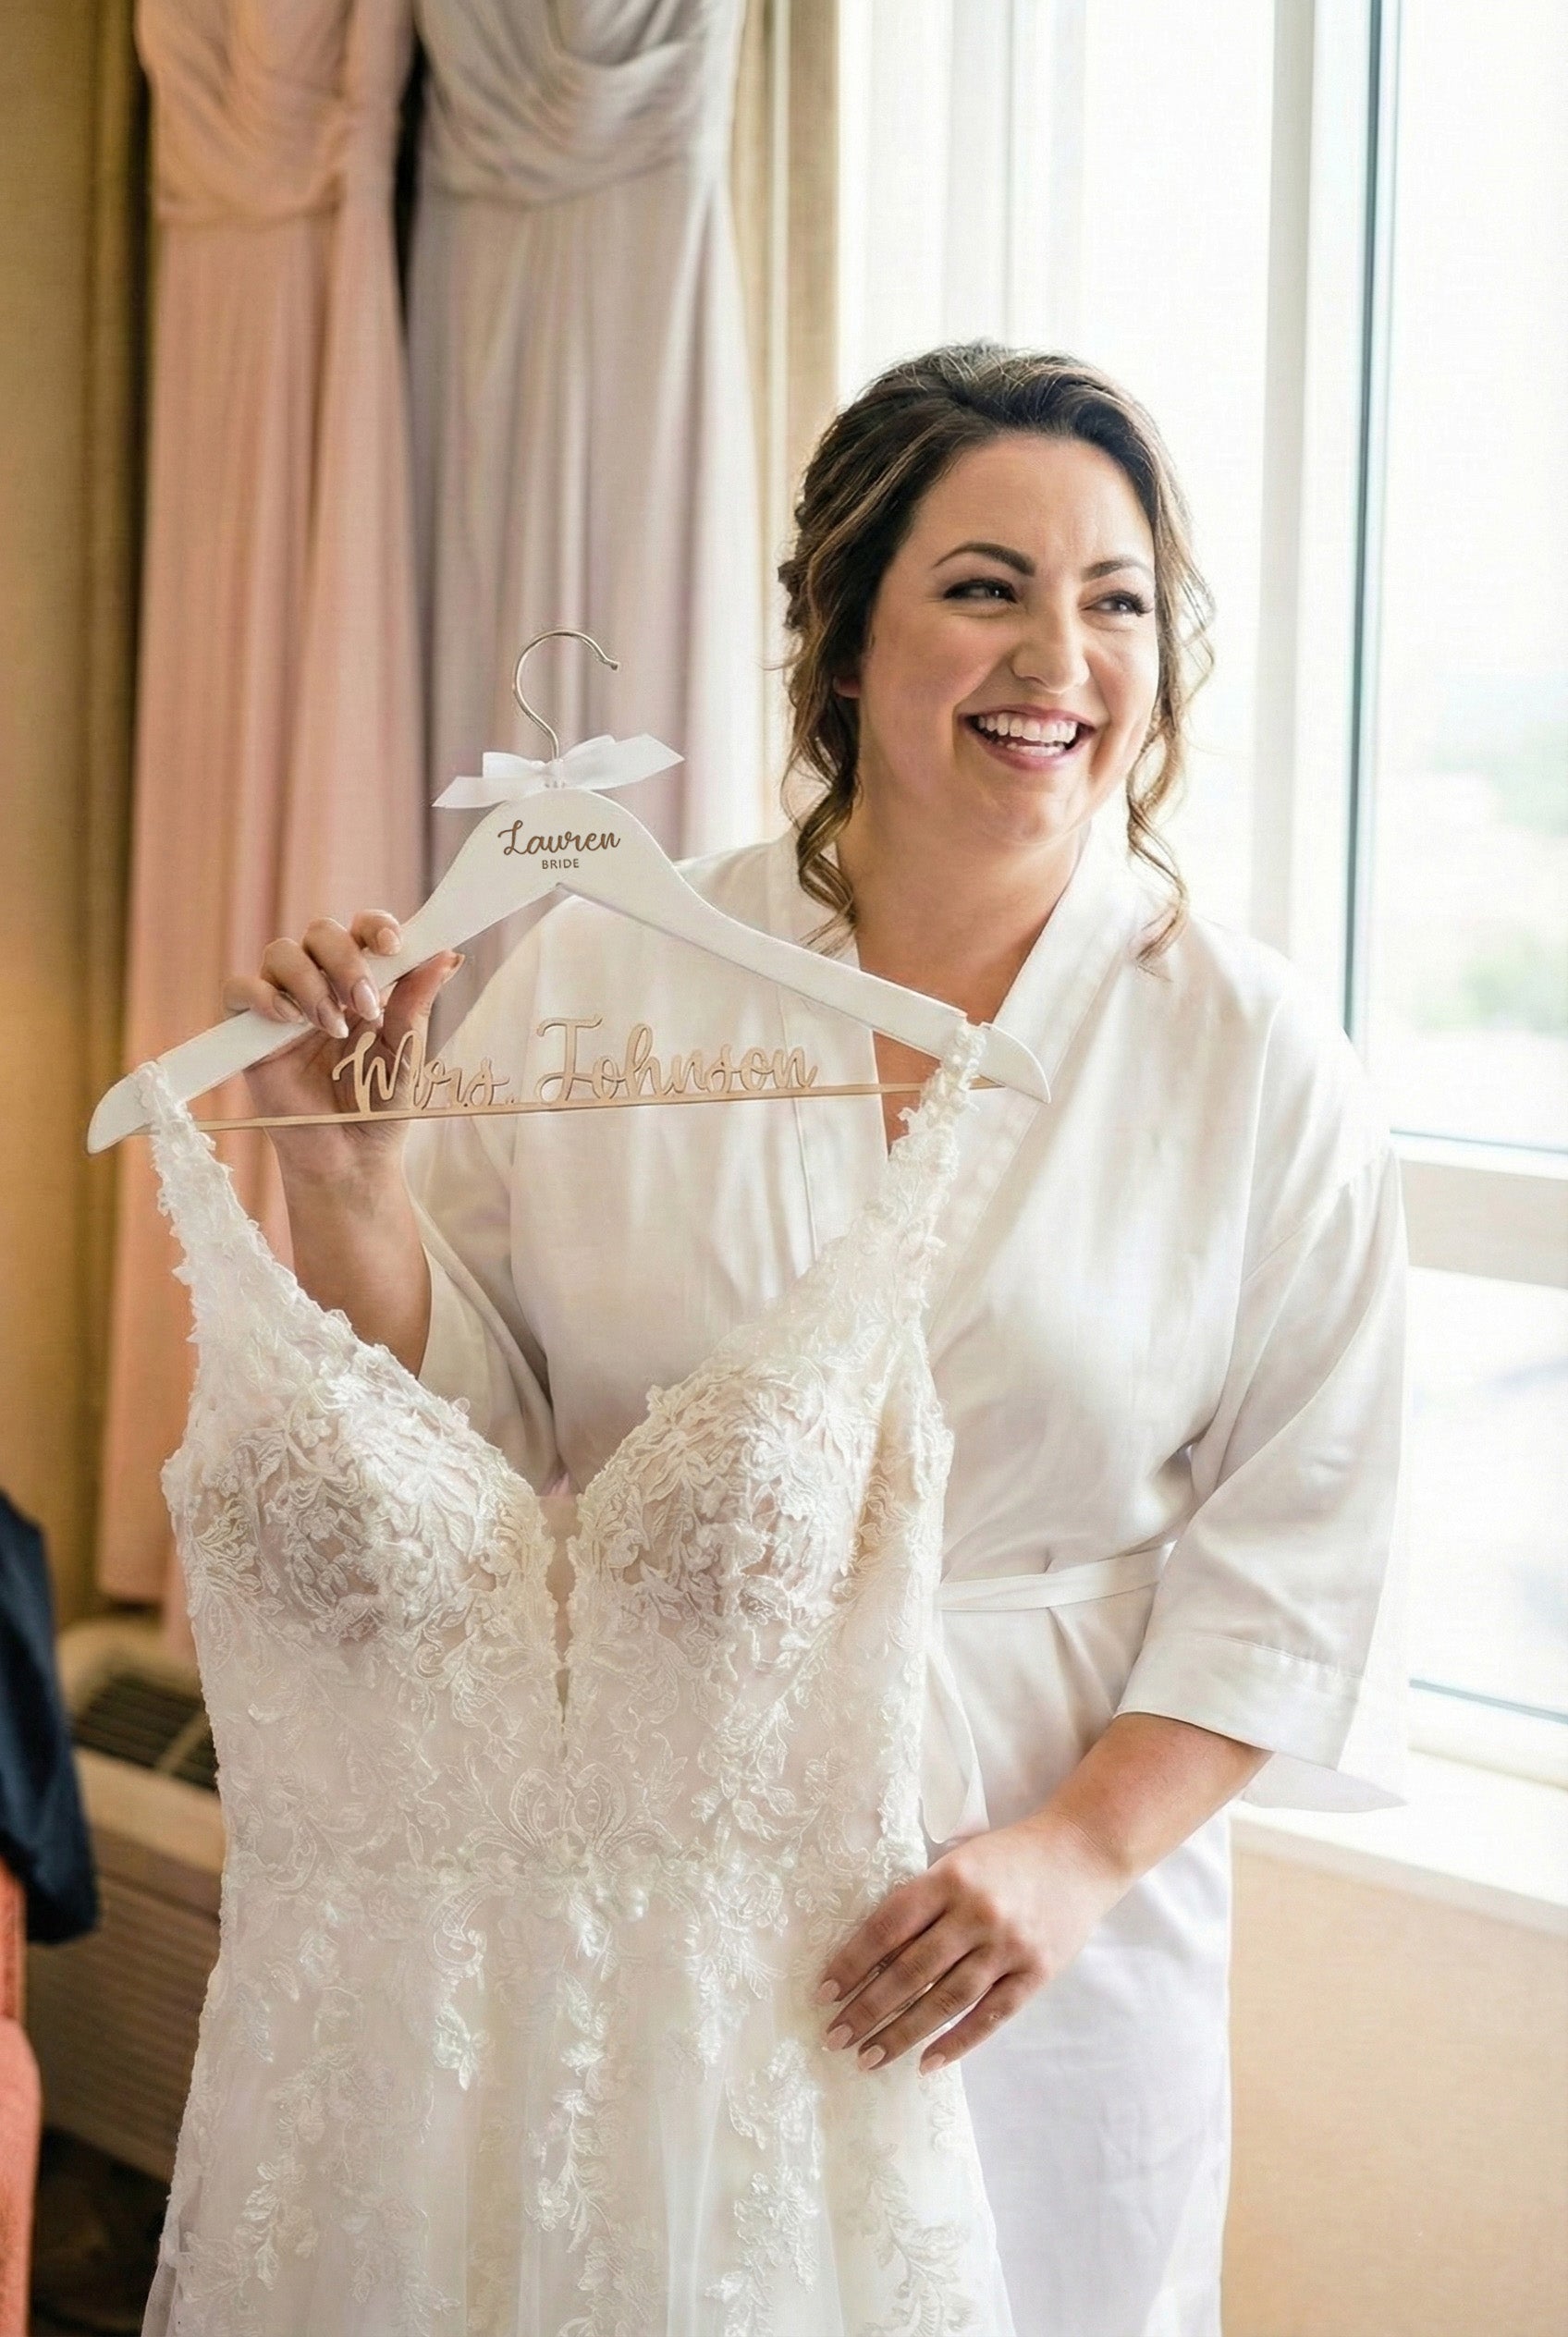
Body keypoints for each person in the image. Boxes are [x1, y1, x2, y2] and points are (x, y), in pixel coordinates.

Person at [225, 344, 1409, 2336]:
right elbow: (473, 1445)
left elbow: (1306, 1538)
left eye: (1116, 600)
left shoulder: (1252, 1053)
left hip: (1034, 1930)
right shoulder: (606, 973)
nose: (1058, 658)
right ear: (844, 639)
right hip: (662, 1875)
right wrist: (348, 1191)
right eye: (984, 585)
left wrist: (1070, 1858)